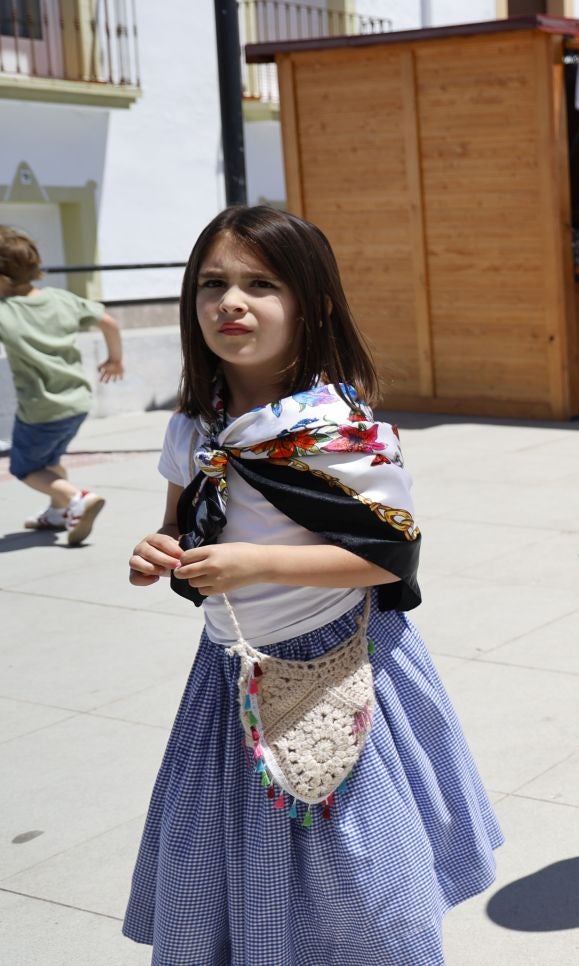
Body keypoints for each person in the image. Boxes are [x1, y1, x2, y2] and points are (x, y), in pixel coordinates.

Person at [121, 206, 500, 963]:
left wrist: (259, 564)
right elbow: (182, 522)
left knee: (357, 872)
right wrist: (159, 550)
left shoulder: (339, 431)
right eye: (213, 284)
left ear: (313, 306)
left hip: (342, 669)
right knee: (242, 857)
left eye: (261, 285)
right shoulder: (192, 430)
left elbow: (388, 556)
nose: (231, 302)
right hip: (233, 675)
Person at [0, 225, 123, 545]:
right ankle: (57, 512)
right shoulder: (60, 299)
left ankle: (76, 498)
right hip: (77, 402)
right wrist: (115, 360)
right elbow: (108, 322)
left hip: (39, 410)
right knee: (49, 463)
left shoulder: (5, 311)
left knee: (25, 468)